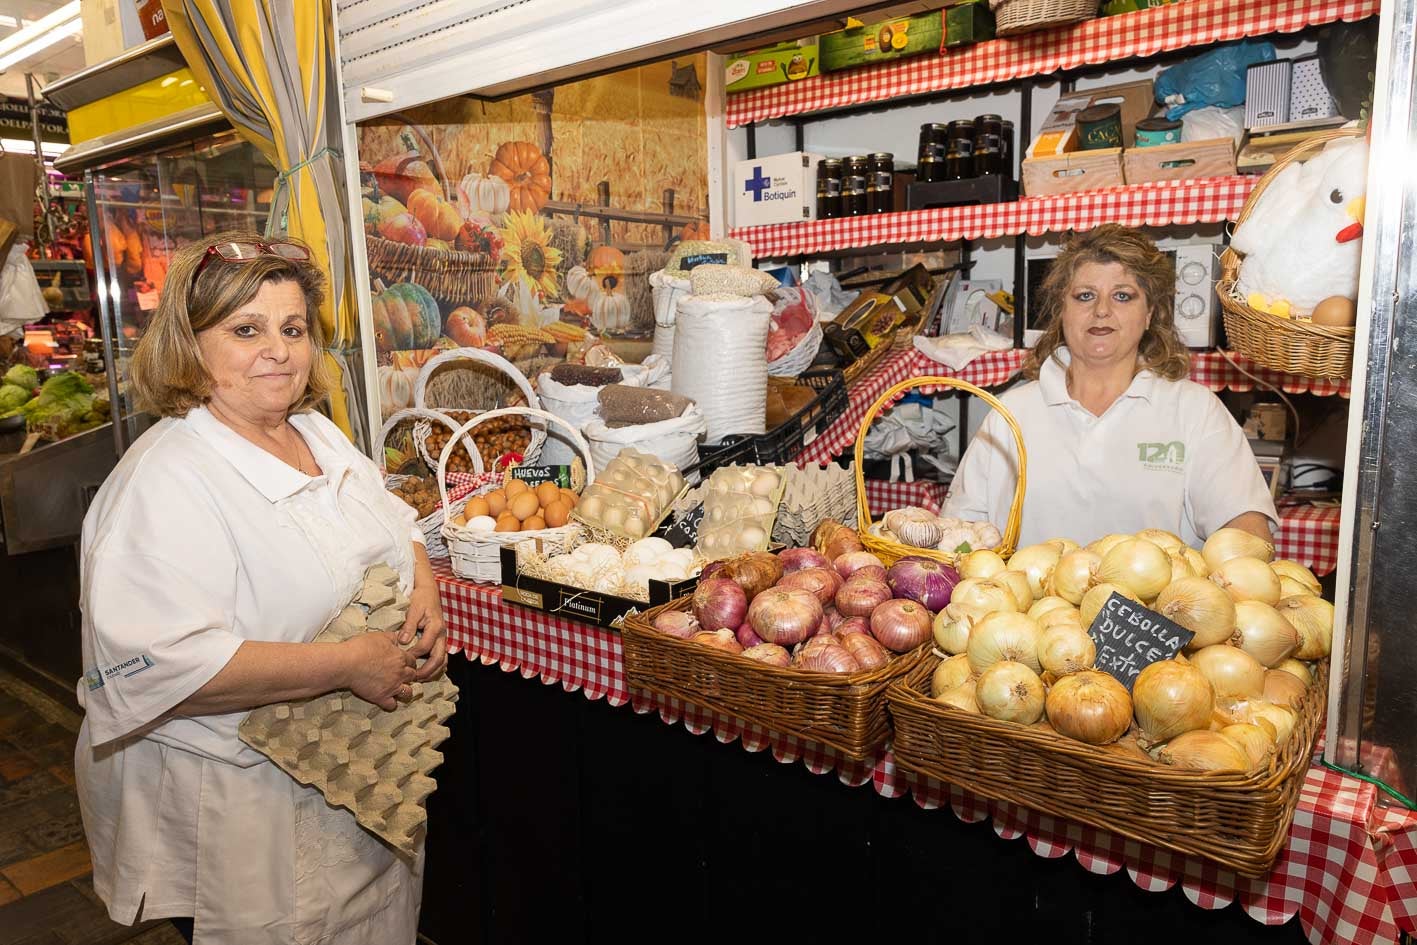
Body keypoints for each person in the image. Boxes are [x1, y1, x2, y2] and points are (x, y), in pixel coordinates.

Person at [74, 233, 448, 945]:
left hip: (354, 772)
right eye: (245, 329)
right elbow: (162, 663)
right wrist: (347, 664)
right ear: (191, 345)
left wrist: (422, 584)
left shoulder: (312, 429)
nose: (277, 349)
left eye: (292, 328)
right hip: (246, 804)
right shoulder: (165, 481)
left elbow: (394, 517)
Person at [945, 225, 1278, 549]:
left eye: (1122, 296)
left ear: (1150, 312)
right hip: (1028, 606)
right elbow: (960, 534)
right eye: (1085, 296)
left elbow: (1247, 531)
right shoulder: (1011, 414)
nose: (1101, 310)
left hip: (1157, 608)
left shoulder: (1194, 410)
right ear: (1062, 311)